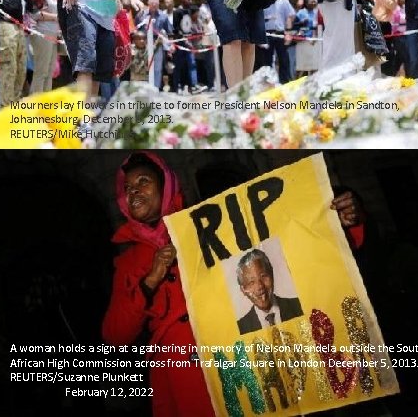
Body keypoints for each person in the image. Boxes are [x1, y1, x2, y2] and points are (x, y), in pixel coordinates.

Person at [102, 152, 366, 416]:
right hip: (183, 381)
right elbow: (115, 335)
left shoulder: (208, 227)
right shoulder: (127, 262)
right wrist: (150, 280)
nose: (133, 191)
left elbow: (280, 251)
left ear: (166, 184)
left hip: (238, 366)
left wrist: (338, 223)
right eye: (127, 188)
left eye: (143, 181)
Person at [235, 249, 304, 335]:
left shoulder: (299, 306)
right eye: (251, 282)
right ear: (243, 290)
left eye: (263, 276)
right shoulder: (242, 328)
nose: (260, 286)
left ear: (271, 273)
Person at [366, 0, 400, 76]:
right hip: (370, 26)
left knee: (386, 57)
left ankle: (388, 82)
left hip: (384, 25)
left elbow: (393, 5)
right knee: (371, 57)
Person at [134, 0, 173, 90]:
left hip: (157, 44)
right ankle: (144, 90)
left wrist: (171, 45)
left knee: (157, 69)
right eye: (152, 3)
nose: (154, 5)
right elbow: (135, 29)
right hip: (143, 46)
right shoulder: (141, 15)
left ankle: (155, 90)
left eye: (156, 3)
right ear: (148, 3)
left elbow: (170, 32)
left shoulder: (163, 16)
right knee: (142, 68)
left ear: (159, 3)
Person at [28, 0, 60, 93]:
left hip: (54, 34)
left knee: (50, 71)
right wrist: (56, 17)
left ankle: (46, 104)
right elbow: (34, 14)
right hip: (42, 33)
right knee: (41, 71)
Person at [256, 0, 295, 84]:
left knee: (284, 59)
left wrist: (288, 32)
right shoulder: (263, 0)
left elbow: (290, 16)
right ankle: (267, 82)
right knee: (266, 60)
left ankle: (285, 81)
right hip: (267, 33)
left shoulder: (284, 1)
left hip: (280, 33)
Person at [294, 0, 324, 77]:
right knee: (301, 66)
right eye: (311, 2)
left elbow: (319, 26)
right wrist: (301, 23)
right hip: (302, 42)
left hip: (313, 42)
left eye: (314, 2)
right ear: (306, 3)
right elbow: (294, 26)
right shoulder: (300, 13)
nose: (313, 3)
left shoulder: (317, 13)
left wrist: (315, 37)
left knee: (314, 66)